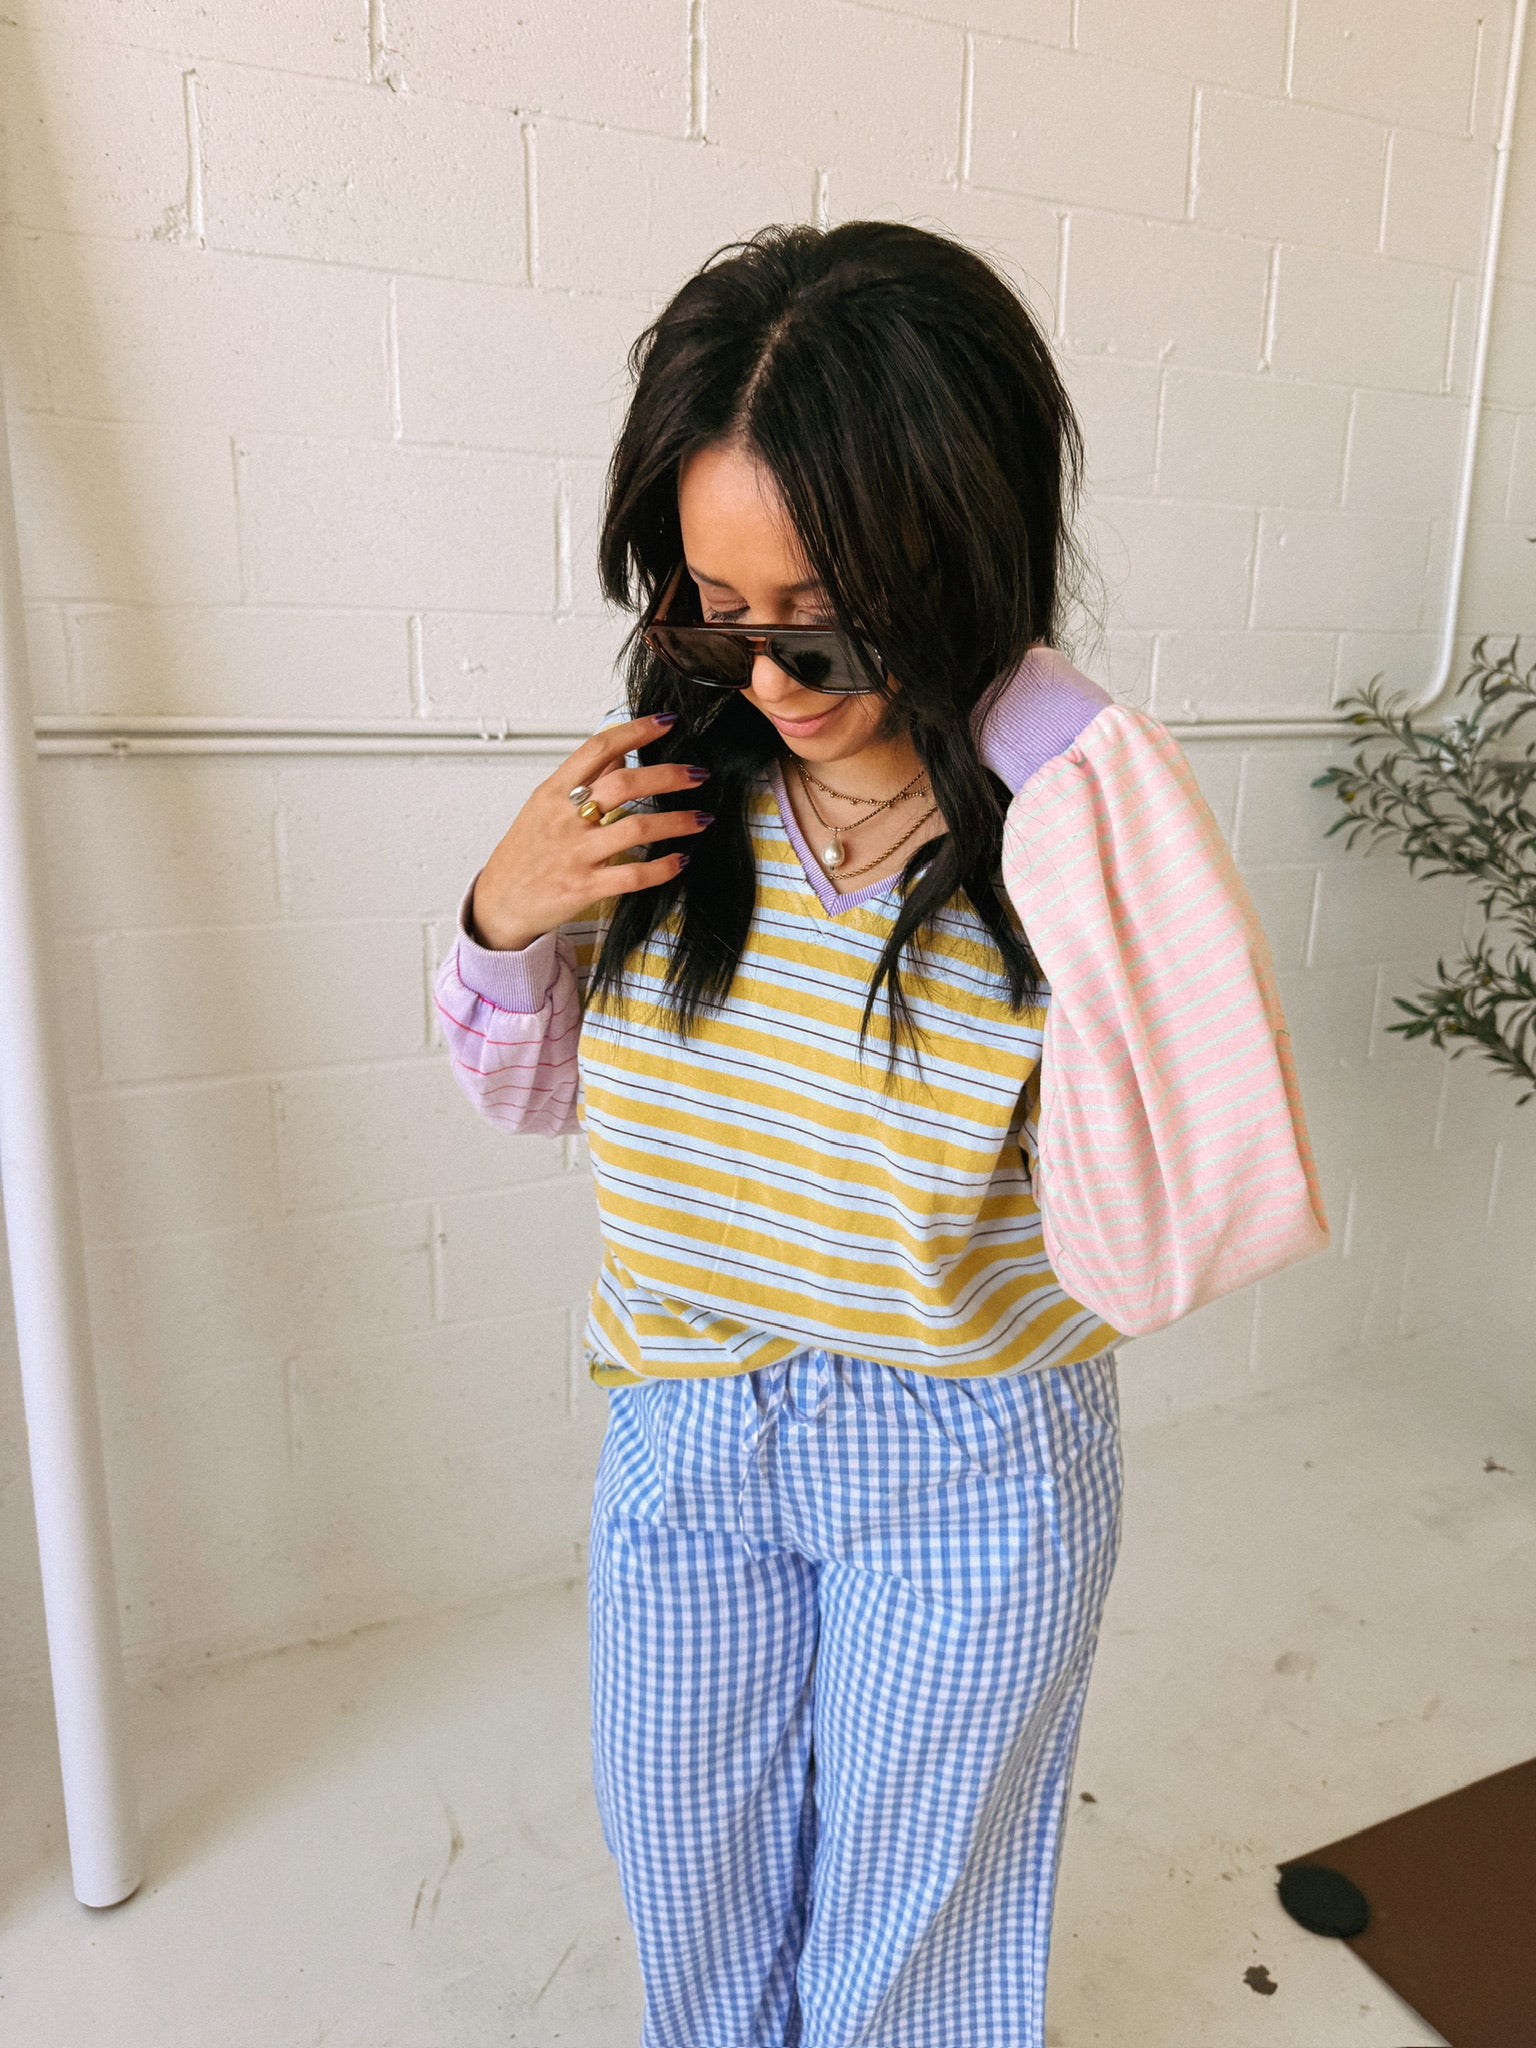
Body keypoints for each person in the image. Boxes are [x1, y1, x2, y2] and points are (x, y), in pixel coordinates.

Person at [435, 220, 1329, 2048]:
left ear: (962, 558)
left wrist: (1055, 738)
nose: (769, 676)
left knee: (914, 1928)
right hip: (688, 1424)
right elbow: (527, 1097)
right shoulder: (665, 801)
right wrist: (499, 922)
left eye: (824, 621)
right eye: (712, 610)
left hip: (970, 1457)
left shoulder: (1067, 834)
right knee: (686, 1875)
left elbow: (1184, 1214)